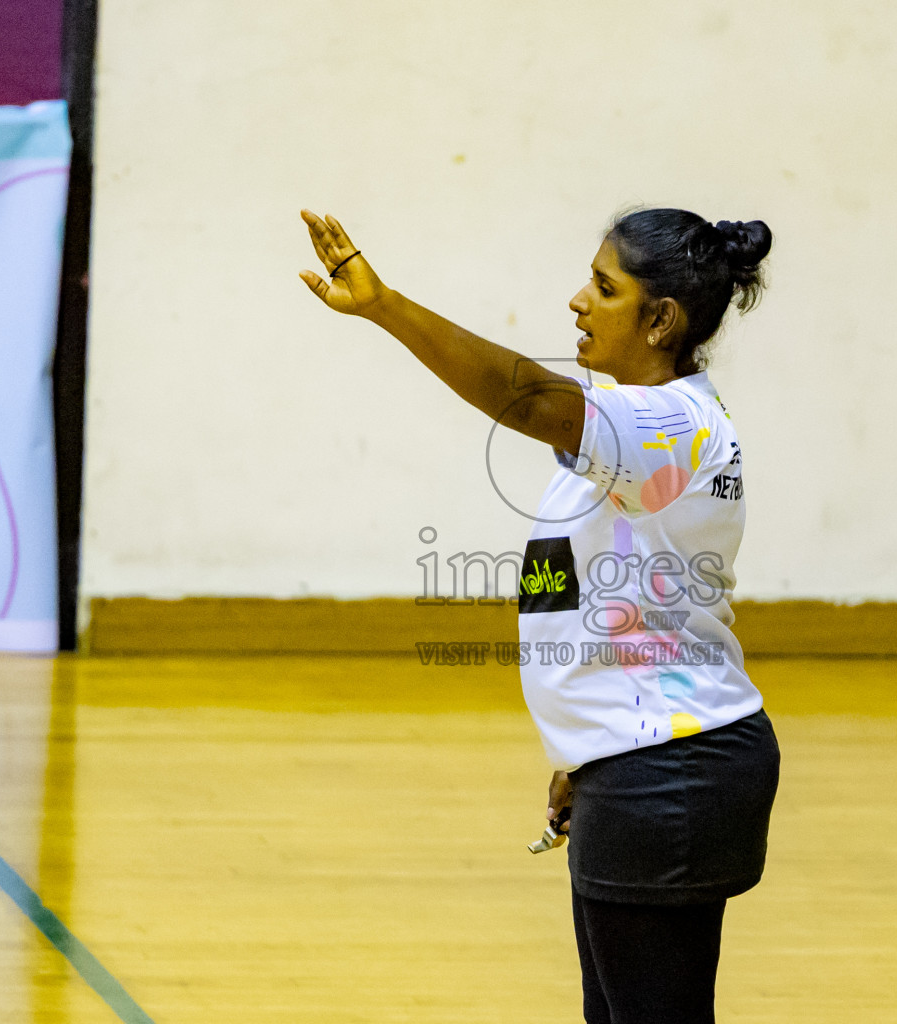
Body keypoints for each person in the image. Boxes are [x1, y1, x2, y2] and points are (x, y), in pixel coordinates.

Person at [299, 206, 780, 1024]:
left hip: (671, 773)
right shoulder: (638, 432)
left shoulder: (664, 427)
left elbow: (521, 395)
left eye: (603, 287)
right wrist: (583, 753)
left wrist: (386, 307)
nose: (576, 303)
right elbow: (584, 595)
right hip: (642, 766)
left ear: (660, 320)